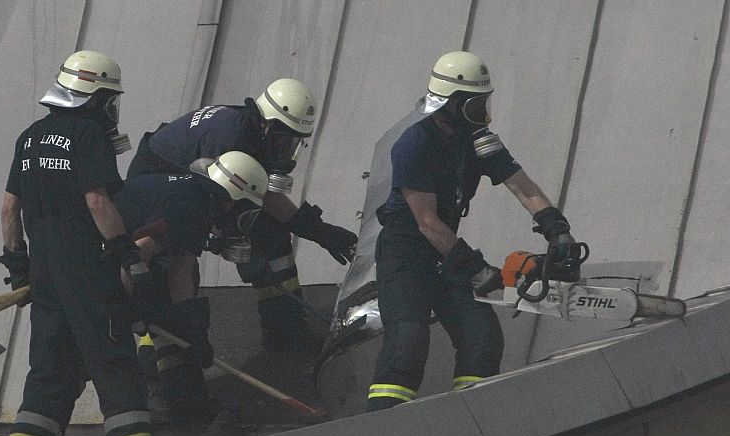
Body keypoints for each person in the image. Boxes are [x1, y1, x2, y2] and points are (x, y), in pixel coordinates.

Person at [366, 51, 584, 411]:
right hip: (407, 254)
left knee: (481, 338)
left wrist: (556, 229)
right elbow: (427, 222)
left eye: (484, 101)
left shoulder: (478, 140)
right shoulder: (414, 144)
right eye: (474, 104)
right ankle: (380, 429)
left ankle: (471, 418)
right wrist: (475, 269)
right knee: (407, 341)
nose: (482, 112)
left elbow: (521, 185)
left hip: (446, 253)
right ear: (450, 104)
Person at [0, 50, 156, 436]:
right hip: (90, 273)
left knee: (50, 367)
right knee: (113, 361)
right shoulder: (90, 136)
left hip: (47, 277)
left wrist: (18, 264)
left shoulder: (29, 137)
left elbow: (10, 209)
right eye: (109, 99)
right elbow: (96, 200)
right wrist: (124, 251)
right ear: (94, 96)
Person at [126, 78, 358, 353]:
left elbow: (256, 196)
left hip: (186, 178)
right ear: (268, 124)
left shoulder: (252, 131)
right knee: (171, 266)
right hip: (161, 182)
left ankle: (285, 330)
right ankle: (158, 357)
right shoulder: (232, 140)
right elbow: (236, 198)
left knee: (268, 235)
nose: (288, 149)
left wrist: (317, 230)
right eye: (286, 139)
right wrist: (315, 230)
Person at [113, 151, 269, 423]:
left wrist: (192, 330)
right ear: (231, 200)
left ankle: (183, 401)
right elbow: (132, 256)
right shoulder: (189, 208)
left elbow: (181, 267)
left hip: (117, 256)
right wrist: (124, 308)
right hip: (99, 259)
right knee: (97, 350)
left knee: (174, 319)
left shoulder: (197, 200)